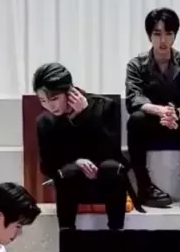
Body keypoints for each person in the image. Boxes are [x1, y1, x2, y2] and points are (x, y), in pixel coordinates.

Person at [34, 62, 137, 230]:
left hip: (105, 178)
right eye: (43, 101)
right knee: (68, 172)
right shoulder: (45, 121)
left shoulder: (104, 106)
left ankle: (116, 234)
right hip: (70, 183)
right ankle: (67, 235)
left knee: (112, 168)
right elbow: (47, 165)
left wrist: (86, 115)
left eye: (54, 99)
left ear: (70, 92)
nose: (50, 106)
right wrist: (76, 161)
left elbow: (111, 151)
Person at [125, 7, 180, 208]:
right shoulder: (136, 64)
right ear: (149, 36)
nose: (163, 40)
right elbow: (134, 98)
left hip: (179, 121)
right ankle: (145, 187)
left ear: (175, 35)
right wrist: (160, 111)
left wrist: (178, 112)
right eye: (157, 34)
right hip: (153, 122)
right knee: (135, 120)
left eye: (168, 34)